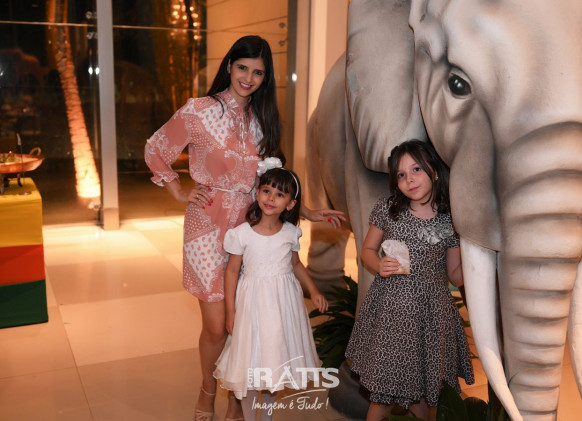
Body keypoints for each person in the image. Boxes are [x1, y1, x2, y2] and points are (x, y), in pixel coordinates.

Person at [144, 35, 343, 421]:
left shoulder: (263, 120)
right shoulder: (199, 110)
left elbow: (270, 182)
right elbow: (156, 148)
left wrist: (308, 211)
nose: (248, 78)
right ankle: (207, 391)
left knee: (243, 323)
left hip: (251, 230)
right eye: (242, 68)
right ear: (229, 66)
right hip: (205, 229)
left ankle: (237, 400)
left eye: (258, 73)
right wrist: (178, 191)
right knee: (217, 326)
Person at [345, 140, 474, 421]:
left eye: (416, 169)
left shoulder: (450, 219)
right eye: (401, 174)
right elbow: (367, 251)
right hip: (392, 311)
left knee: (426, 395)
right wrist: (379, 264)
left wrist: (477, 260)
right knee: (383, 391)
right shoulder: (389, 208)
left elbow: (455, 274)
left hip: (431, 314)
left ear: (434, 171)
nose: (409, 179)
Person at [213, 163, 328, 421]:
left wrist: (314, 290)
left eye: (279, 194)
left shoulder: (290, 233)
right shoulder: (242, 234)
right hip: (252, 307)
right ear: (257, 194)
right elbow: (232, 272)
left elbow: (296, 264)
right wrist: (230, 311)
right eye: (266, 191)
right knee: (250, 368)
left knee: (273, 365)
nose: (271, 198)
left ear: (290, 204)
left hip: (281, 307)